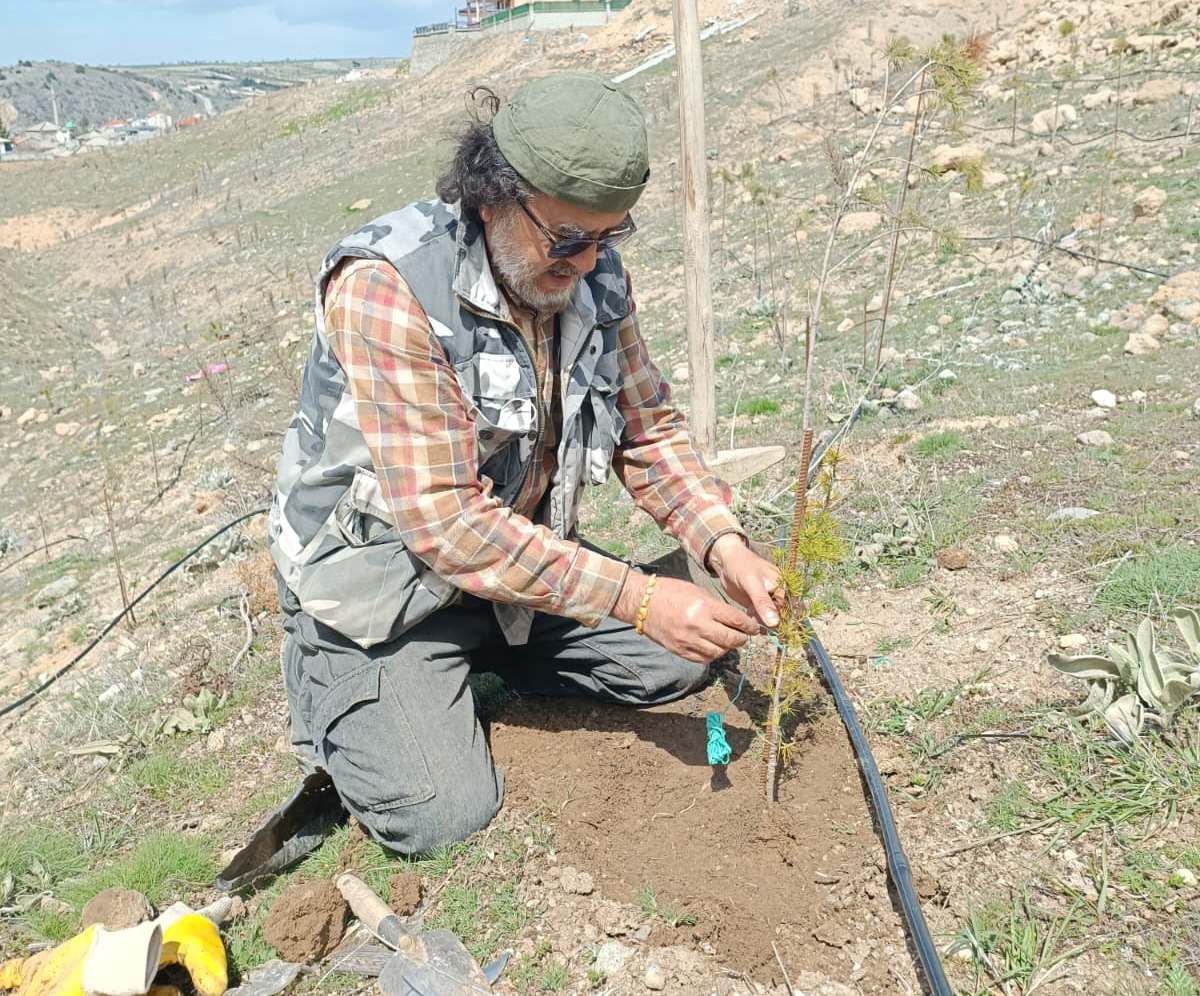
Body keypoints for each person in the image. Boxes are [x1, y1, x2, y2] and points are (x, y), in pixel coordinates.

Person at [267, 72, 783, 854]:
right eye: (569, 239)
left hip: (507, 569)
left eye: (611, 237)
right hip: (382, 591)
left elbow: (647, 428)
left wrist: (723, 543)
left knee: (678, 667)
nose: (587, 262)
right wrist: (639, 597)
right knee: (441, 816)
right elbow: (447, 523)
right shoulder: (389, 287)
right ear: (494, 194)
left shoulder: (592, 272)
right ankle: (337, 680)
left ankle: (486, 660)